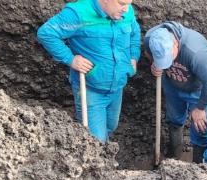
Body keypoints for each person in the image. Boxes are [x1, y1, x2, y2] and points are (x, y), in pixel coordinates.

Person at [37, 0, 140, 142]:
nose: (127, 9)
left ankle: (106, 153)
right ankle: (98, 160)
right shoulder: (79, 14)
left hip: (117, 88)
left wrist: (134, 56)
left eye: (129, 3)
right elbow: (47, 33)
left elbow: (134, 32)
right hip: (90, 90)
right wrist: (70, 59)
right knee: (95, 140)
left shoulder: (126, 12)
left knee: (111, 126)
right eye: (122, 3)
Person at [144, 22, 207, 162]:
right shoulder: (150, 39)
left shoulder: (195, 52)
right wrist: (155, 65)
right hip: (172, 85)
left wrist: (200, 108)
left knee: (200, 127)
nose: (166, 63)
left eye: (168, 58)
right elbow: (147, 53)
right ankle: (174, 157)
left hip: (199, 89)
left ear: (175, 44)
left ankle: (199, 165)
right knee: (174, 120)